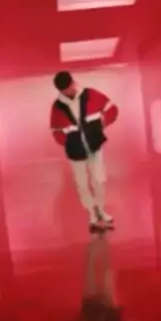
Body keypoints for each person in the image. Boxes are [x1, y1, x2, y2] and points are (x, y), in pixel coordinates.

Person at [50, 71, 119, 233]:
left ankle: (101, 211)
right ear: (60, 91)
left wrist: (102, 125)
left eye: (69, 87)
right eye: (64, 91)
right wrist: (68, 143)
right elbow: (56, 131)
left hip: (95, 146)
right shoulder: (57, 107)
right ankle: (92, 215)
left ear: (73, 83)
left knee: (98, 180)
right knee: (82, 184)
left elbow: (112, 109)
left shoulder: (91, 94)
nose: (68, 92)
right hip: (75, 152)